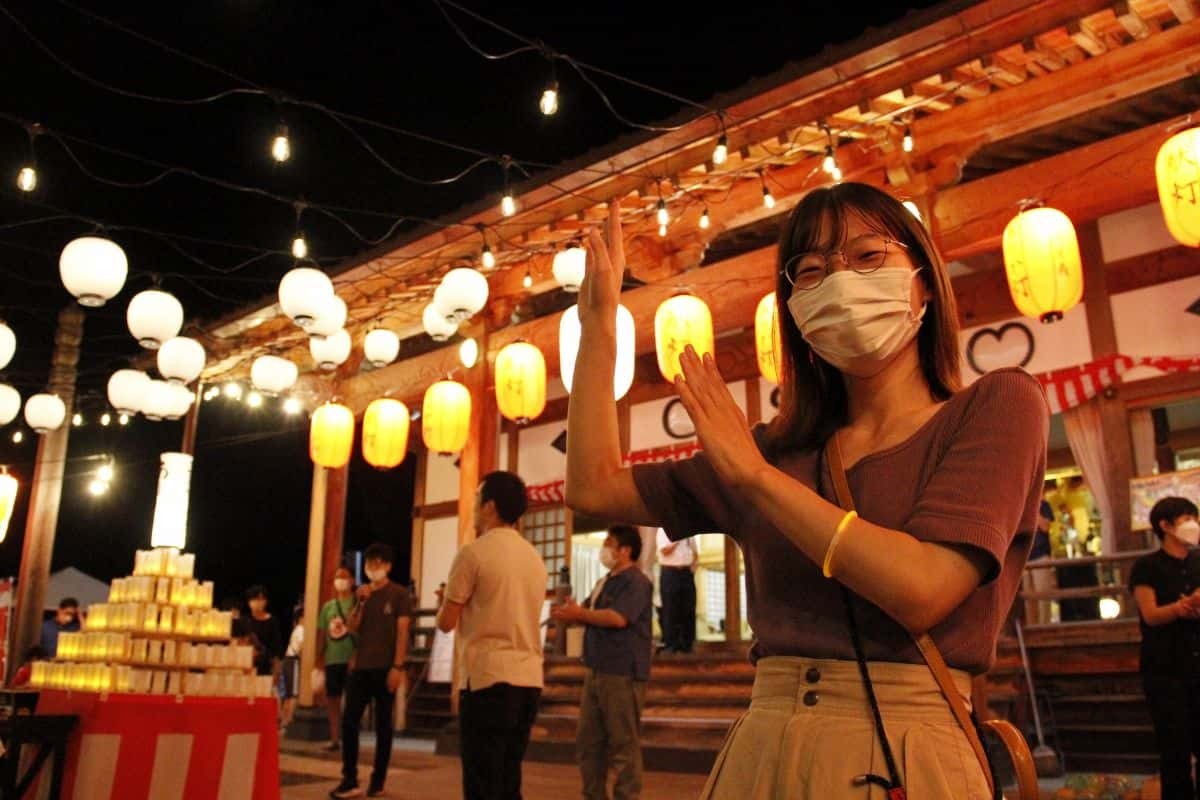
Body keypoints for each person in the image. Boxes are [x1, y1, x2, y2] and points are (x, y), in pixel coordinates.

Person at [564, 186, 1048, 798]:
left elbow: (924, 589)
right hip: (763, 744)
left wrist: (757, 481)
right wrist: (600, 327)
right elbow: (592, 486)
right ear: (796, 308)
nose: (840, 284)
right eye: (812, 271)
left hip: (908, 746)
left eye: (868, 257)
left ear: (923, 281)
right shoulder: (774, 447)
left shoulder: (997, 406)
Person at [436, 470, 547, 800]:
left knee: (482, 779)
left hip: (488, 678)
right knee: (509, 777)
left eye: (476, 498)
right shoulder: (534, 558)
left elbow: (445, 622)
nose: (472, 505)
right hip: (529, 677)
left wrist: (446, 599)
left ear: (490, 506)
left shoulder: (473, 553)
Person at [553, 524, 653, 800]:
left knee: (623, 744)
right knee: (589, 743)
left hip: (622, 672)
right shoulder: (604, 581)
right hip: (596, 668)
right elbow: (586, 611)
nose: (604, 549)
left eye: (609, 543)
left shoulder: (637, 582)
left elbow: (618, 618)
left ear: (625, 550)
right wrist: (571, 611)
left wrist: (580, 614)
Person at [1129, 496, 1200, 800]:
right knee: (1175, 752)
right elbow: (1151, 615)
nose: (1192, 525)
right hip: (1165, 670)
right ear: (1165, 526)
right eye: (1186, 518)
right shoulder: (1146, 567)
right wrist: (1181, 608)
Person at [331, 543, 412, 799]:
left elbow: (402, 632)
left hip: (386, 668)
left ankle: (378, 782)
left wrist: (398, 667)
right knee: (349, 721)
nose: (372, 569)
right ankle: (350, 779)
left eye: (378, 564)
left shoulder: (399, 594)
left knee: (383, 726)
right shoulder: (361, 593)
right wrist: (361, 602)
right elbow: (352, 627)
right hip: (361, 667)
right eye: (369, 564)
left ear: (387, 566)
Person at [318, 566, 357, 752]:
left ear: (352, 580)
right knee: (332, 699)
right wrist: (319, 658)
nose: (340, 580)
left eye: (344, 576)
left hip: (350, 659)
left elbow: (362, 633)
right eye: (337, 577)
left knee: (351, 702)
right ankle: (334, 738)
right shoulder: (328, 607)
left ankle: (350, 738)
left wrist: (356, 656)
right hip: (331, 659)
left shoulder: (357, 603)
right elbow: (323, 634)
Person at [656, 527, 697, 654]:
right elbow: (665, 551)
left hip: (686, 572)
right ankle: (671, 644)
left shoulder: (690, 534)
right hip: (670, 572)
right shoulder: (663, 530)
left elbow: (695, 551)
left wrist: (694, 564)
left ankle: (687, 645)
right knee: (670, 609)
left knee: (689, 609)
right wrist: (678, 538)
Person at [242, 586, 284, 680]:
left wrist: (276, 668)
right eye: (256, 599)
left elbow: (277, 646)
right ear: (249, 601)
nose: (259, 602)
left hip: (266, 665)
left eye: (262, 599)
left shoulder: (272, 621)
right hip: (247, 665)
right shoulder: (245, 620)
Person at [280, 604, 304, 731]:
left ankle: (284, 720)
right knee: (293, 693)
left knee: (288, 694)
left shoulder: (297, 629)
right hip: (293, 661)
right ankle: (288, 721)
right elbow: (301, 648)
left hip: (288, 660)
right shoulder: (302, 630)